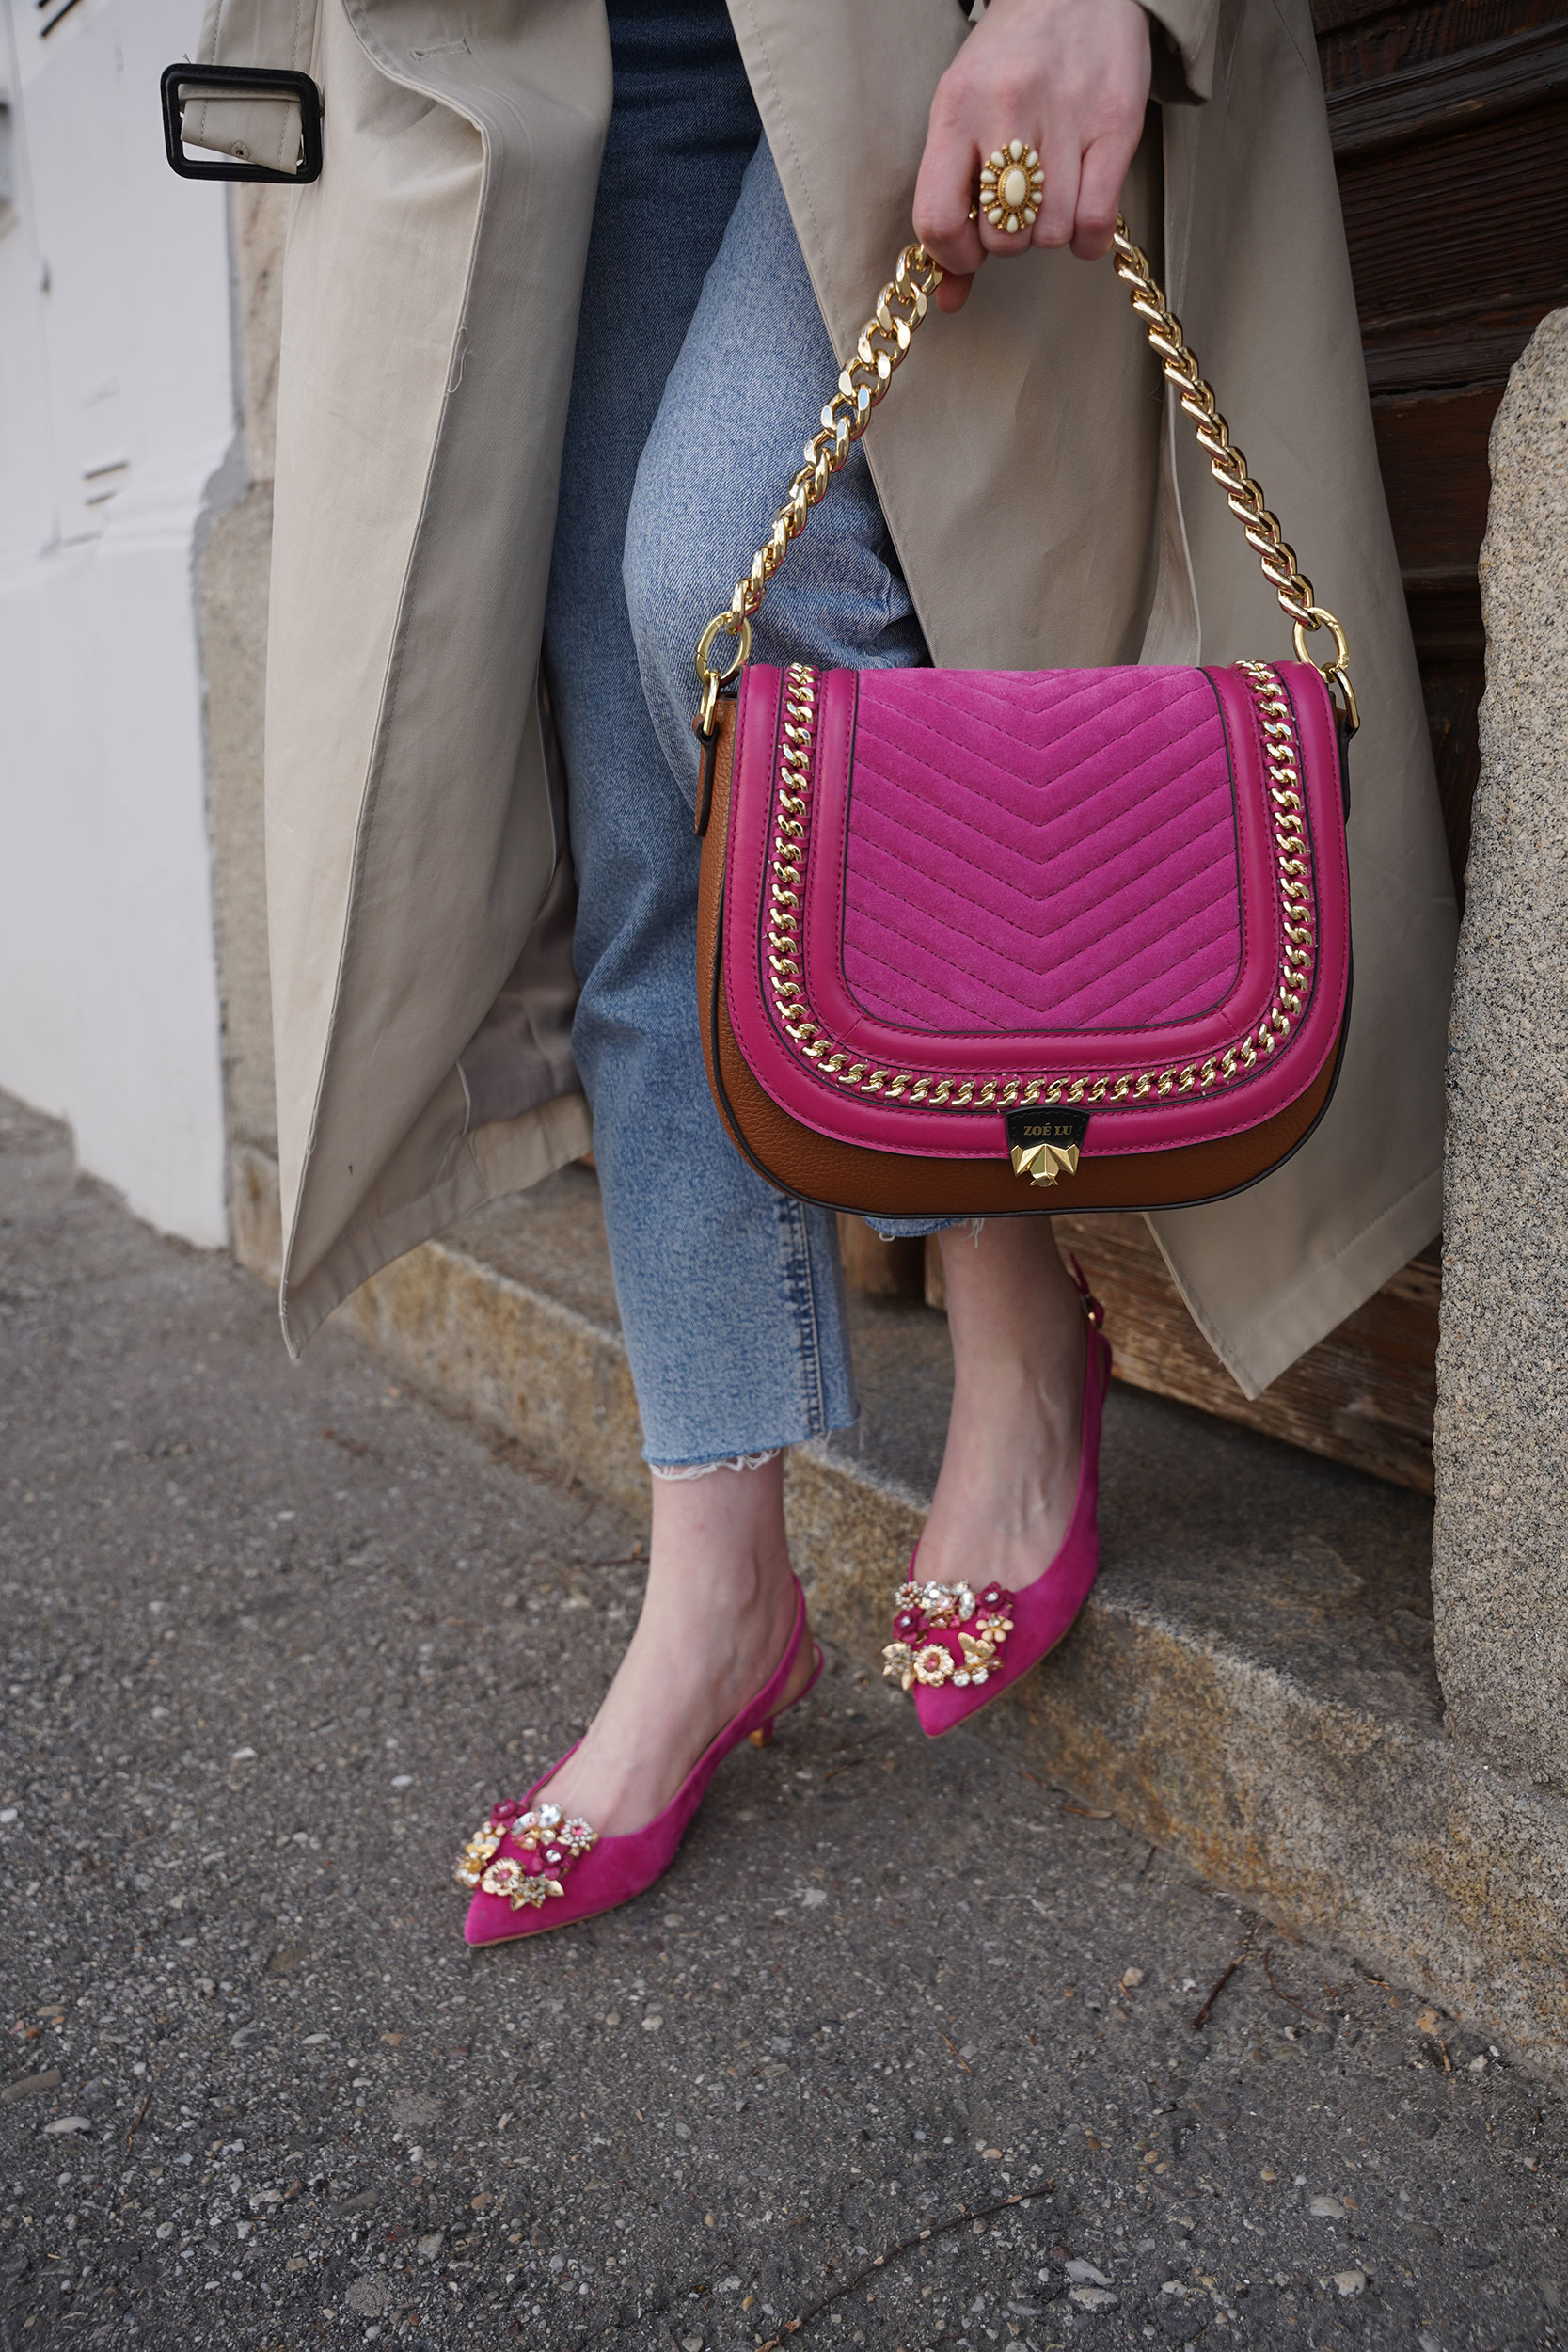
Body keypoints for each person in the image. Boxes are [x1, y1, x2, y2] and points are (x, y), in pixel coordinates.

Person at [183, 0, 1456, 1942]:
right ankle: (716, 1586)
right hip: (574, 49)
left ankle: (1020, 1319)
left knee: (728, 576)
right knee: (646, 795)